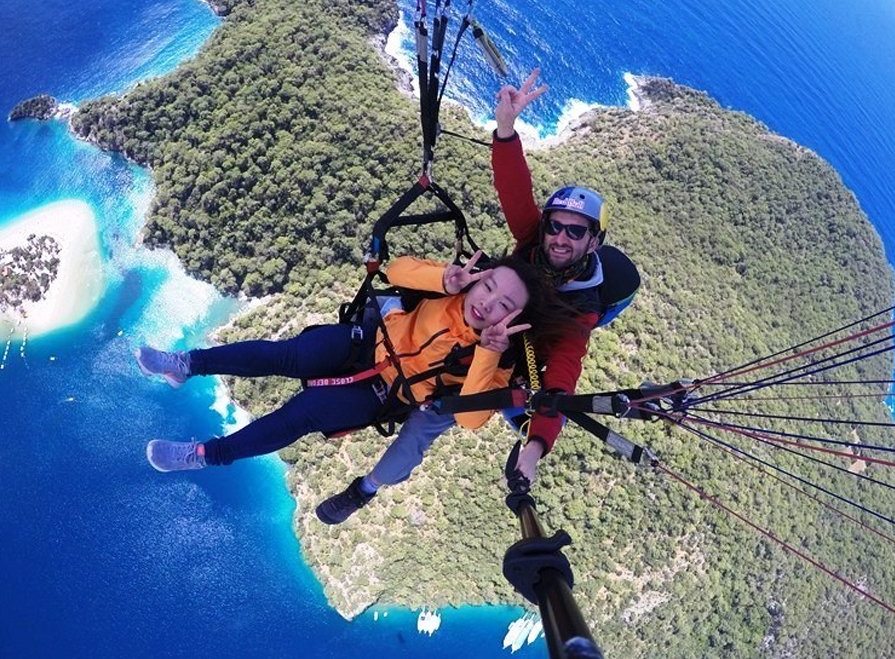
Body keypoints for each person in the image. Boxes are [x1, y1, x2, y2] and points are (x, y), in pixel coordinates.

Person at [325, 68, 635, 524]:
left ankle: (365, 488)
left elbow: (561, 381)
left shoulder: (580, 313)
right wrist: (506, 131)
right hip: (471, 313)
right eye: (556, 225)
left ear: (594, 241)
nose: (560, 238)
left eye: (576, 231)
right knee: (401, 298)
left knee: (426, 425)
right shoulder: (535, 239)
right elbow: (516, 196)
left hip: (499, 358)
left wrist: (534, 447)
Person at [136, 251, 562, 523]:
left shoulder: (499, 361)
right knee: (288, 354)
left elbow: (469, 418)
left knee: (303, 413)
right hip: (367, 342)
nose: (487, 302)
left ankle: (207, 454)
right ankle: (187, 364)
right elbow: (396, 269)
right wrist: (443, 279)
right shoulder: (451, 290)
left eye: (504, 306)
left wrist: (488, 350)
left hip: (386, 393)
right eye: (488, 286)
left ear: (514, 321)